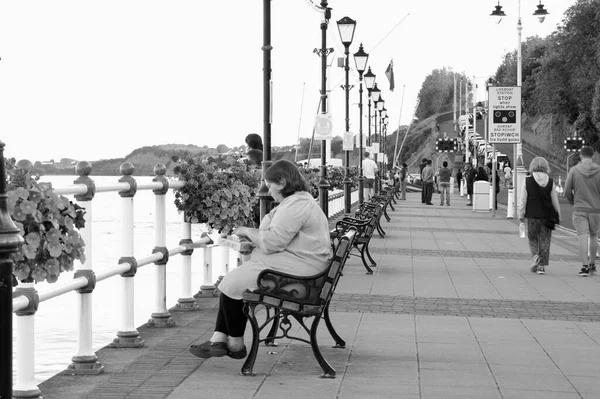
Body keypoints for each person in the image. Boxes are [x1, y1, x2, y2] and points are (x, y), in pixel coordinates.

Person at [188, 159, 331, 359]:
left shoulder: (296, 205)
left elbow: (274, 241)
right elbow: (282, 239)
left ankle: (236, 345)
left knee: (234, 281)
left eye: (270, 185)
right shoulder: (300, 202)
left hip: (303, 277)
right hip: (305, 267)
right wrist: (254, 243)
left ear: (281, 183)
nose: (268, 190)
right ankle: (219, 339)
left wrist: (246, 230)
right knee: (235, 279)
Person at [518, 157, 561, 275]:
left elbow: (523, 200)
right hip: (546, 216)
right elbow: (554, 200)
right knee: (545, 240)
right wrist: (558, 214)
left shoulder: (528, 181)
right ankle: (541, 266)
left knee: (532, 239)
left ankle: (535, 257)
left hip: (531, 215)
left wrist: (520, 214)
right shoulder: (551, 181)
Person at [564, 146, 600, 277]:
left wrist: (573, 201)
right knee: (594, 235)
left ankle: (584, 267)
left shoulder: (574, 170)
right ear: (593, 156)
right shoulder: (599, 170)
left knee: (582, 236)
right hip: (596, 209)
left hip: (579, 208)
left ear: (580, 156)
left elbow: (567, 190)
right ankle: (592, 264)